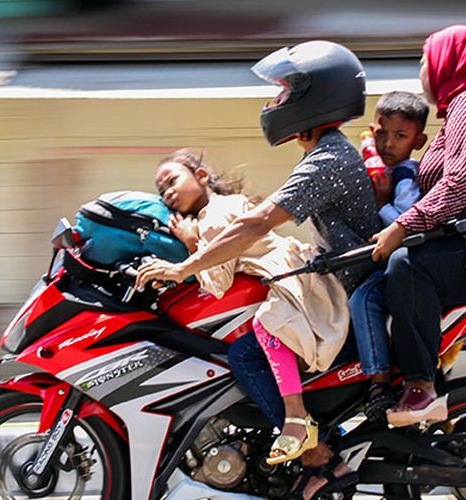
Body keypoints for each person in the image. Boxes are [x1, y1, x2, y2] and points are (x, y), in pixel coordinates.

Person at [137, 41, 382, 499]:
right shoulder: (323, 154)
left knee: (248, 354)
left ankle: (317, 456)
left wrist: (182, 266)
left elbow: (255, 225)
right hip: (331, 281)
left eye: (286, 94)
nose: (275, 104)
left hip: (337, 287)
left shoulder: (327, 159)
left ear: (316, 98)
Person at [154, 148, 350, 466]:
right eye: (161, 191)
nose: (168, 194)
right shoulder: (222, 208)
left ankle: (298, 422)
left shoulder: (213, 218)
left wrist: (191, 244)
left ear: (201, 176)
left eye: (172, 180)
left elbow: (218, 282)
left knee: (252, 344)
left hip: (289, 281)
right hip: (297, 275)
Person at [372, 25, 466, 427]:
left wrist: (400, 227)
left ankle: (420, 387)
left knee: (407, 266)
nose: (420, 72)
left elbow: (457, 185)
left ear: (450, 61)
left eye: (424, 61)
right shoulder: (463, 109)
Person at [348, 91, 428, 422]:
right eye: (382, 133)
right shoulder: (379, 166)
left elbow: (406, 219)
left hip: (408, 262)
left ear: (419, 140)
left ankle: (378, 382)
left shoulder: (406, 173)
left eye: (400, 136)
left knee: (363, 300)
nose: (388, 144)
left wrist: (381, 200)